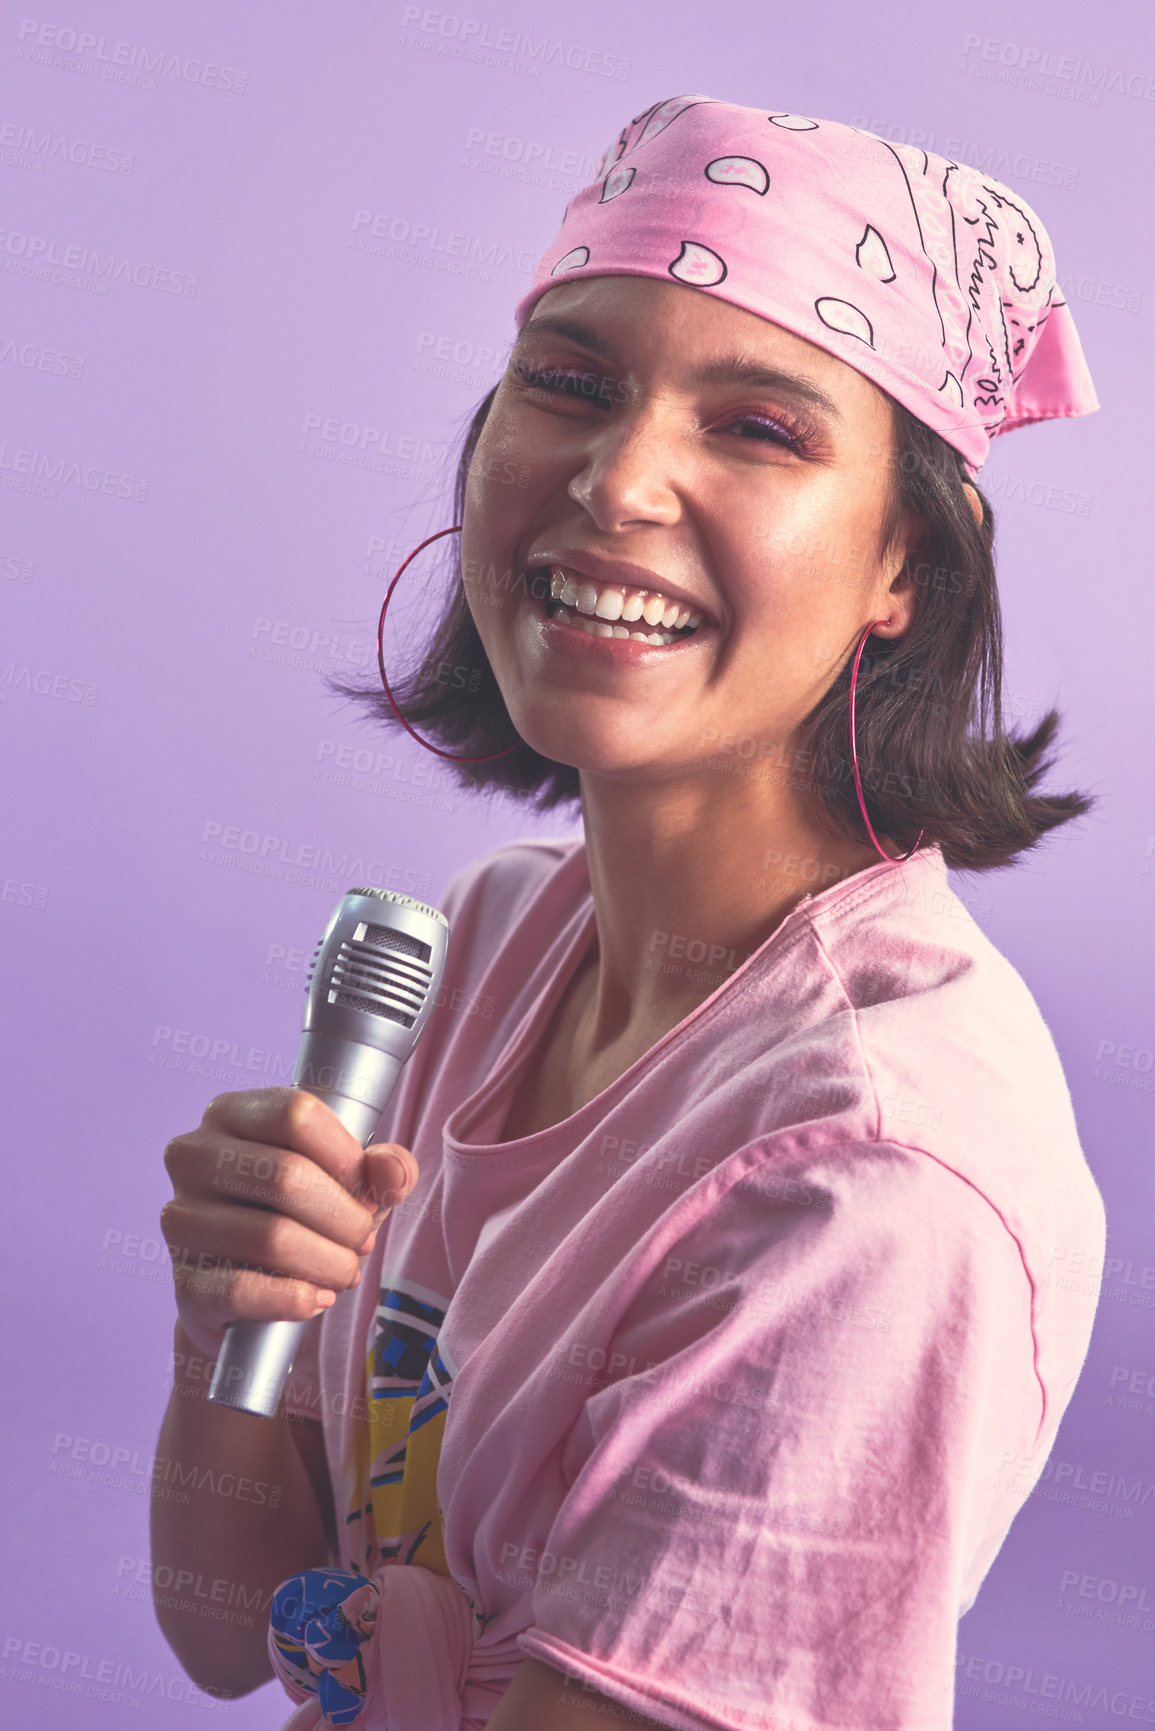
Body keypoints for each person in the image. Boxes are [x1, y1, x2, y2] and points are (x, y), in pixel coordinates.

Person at [154, 95, 1106, 1731]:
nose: (616, 480)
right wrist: (226, 1328)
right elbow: (237, 1632)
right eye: (573, 385)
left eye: (760, 427)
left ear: (906, 571)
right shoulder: (491, 944)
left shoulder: (869, 1177)